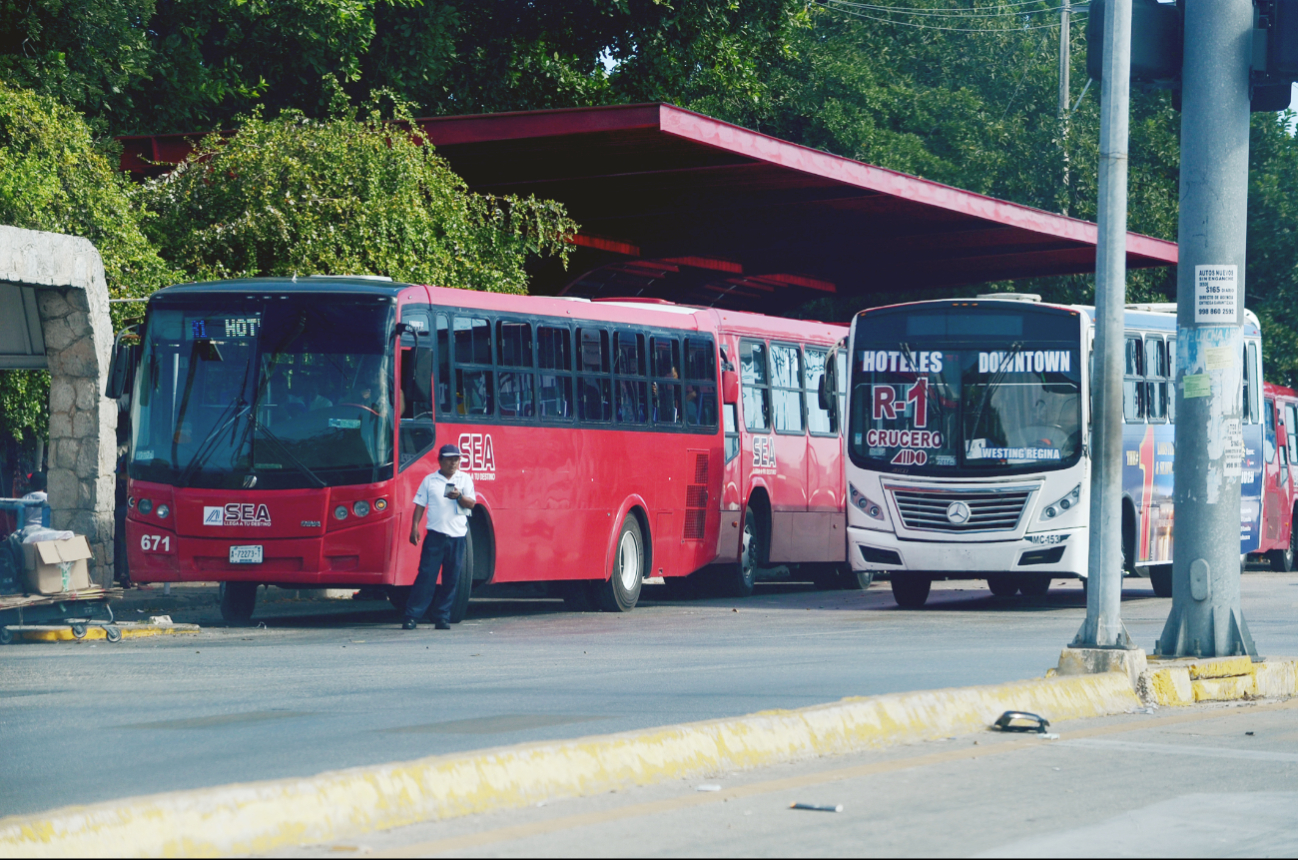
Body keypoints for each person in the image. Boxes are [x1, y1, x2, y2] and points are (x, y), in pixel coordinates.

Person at [404, 444, 476, 630]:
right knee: (426, 577)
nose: (454, 463)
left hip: (457, 537)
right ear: (441, 461)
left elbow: (471, 503)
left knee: (451, 578)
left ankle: (442, 616)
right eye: (450, 459)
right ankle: (412, 616)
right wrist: (414, 527)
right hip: (436, 536)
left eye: (457, 459)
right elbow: (420, 504)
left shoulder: (465, 479)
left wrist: (459, 496)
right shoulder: (430, 480)